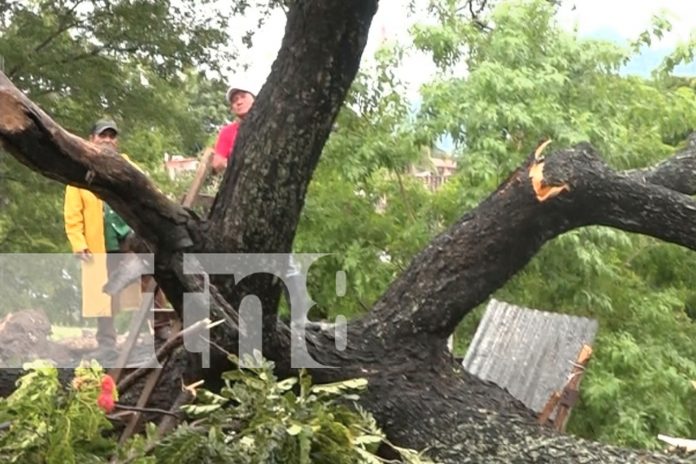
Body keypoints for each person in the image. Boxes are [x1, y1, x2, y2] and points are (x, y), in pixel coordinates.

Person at [64, 119, 141, 361]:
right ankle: (107, 344)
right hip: (97, 243)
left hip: (128, 240)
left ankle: (157, 334)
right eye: (102, 135)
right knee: (102, 294)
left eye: (111, 136)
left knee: (142, 282)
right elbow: (72, 213)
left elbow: (142, 195)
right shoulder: (78, 170)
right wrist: (78, 243)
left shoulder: (128, 165)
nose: (107, 140)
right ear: (91, 139)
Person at [211, 82, 256, 174]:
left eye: (243, 96)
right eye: (235, 100)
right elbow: (217, 163)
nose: (239, 102)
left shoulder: (269, 122)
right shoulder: (227, 131)